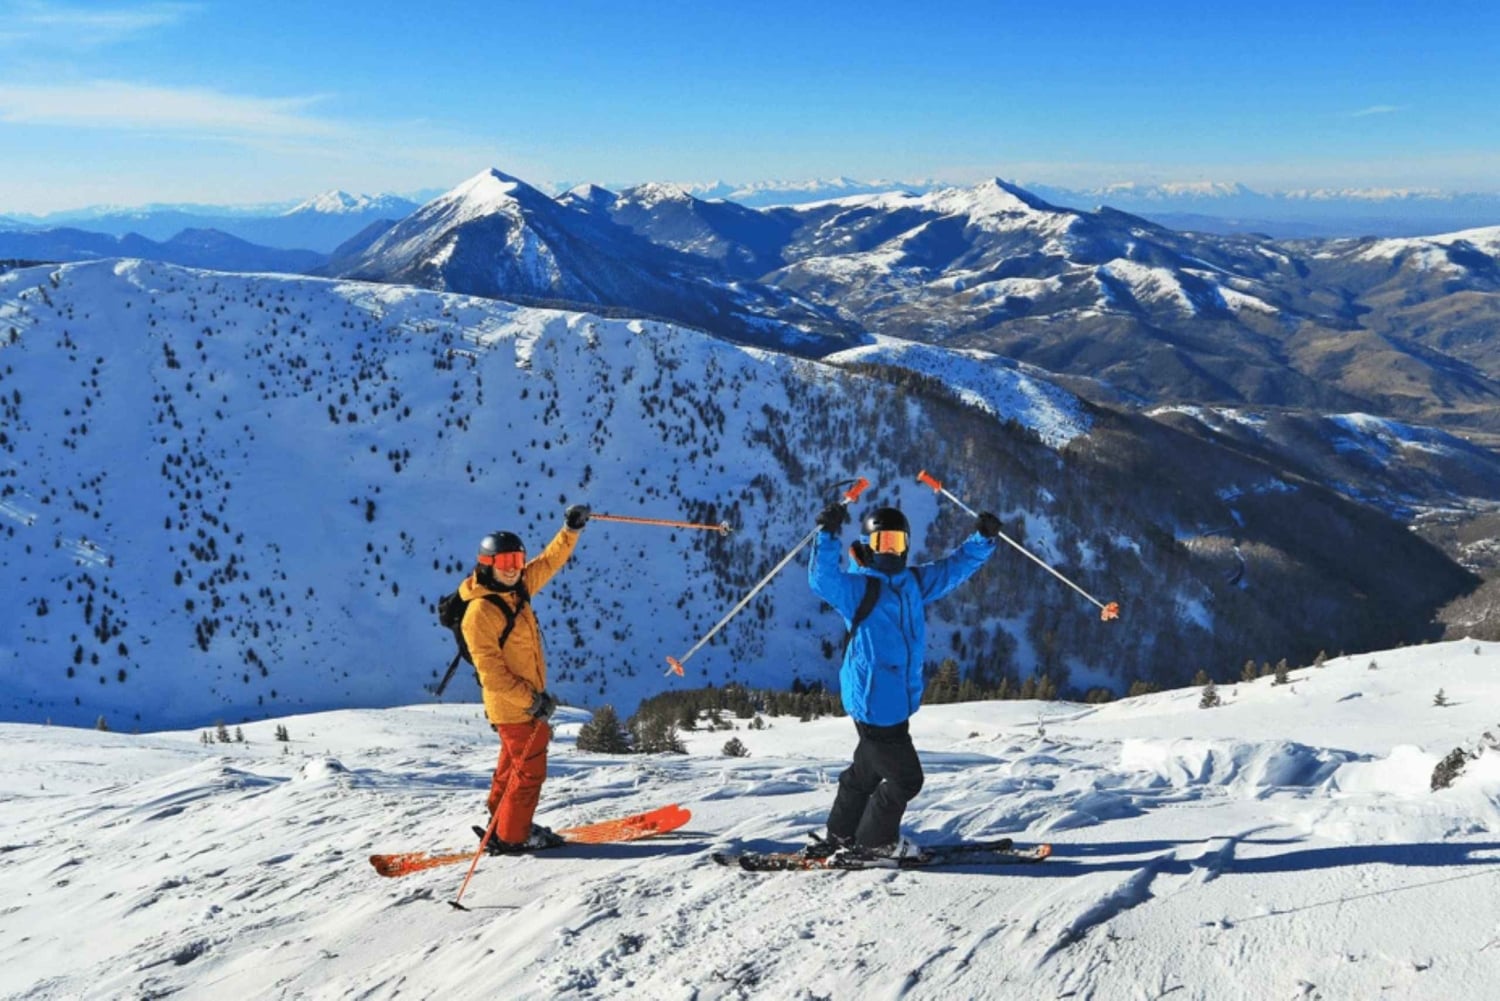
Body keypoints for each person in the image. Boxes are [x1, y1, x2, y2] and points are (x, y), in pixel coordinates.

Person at [807, 502, 1001, 859]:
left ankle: (841, 834)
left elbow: (951, 569)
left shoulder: (912, 583)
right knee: (906, 779)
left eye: (897, 543)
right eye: (883, 543)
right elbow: (821, 579)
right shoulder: (858, 589)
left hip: (893, 700)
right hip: (876, 702)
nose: (891, 550)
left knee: (865, 772)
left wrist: (982, 539)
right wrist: (827, 534)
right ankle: (875, 843)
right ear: (869, 544)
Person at [464, 503, 590, 853]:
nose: (513, 570)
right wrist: (532, 701)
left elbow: (549, 562)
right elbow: (491, 675)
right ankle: (514, 835)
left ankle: (501, 822)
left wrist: (570, 531)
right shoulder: (480, 613)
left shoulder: (516, 589)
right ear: (487, 564)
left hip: (522, 703)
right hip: (513, 706)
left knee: (512, 765)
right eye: (505, 563)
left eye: (517, 562)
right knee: (530, 771)